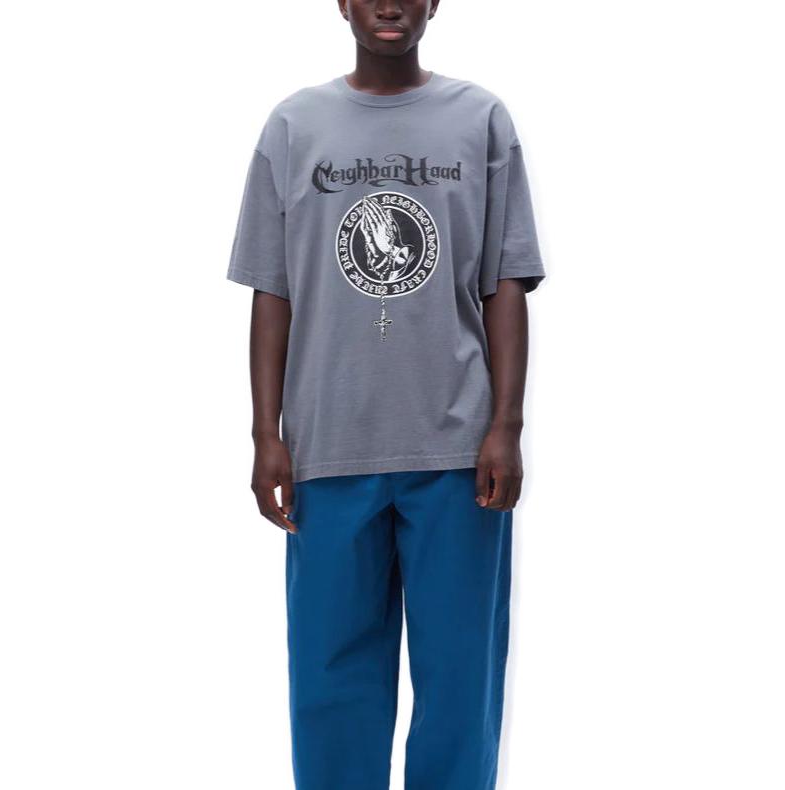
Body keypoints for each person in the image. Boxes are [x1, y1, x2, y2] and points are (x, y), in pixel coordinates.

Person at [226, 1, 545, 788]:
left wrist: (505, 425)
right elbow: (272, 290)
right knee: (331, 678)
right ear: (342, 3)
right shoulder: (294, 127)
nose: (390, 4)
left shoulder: (481, 121)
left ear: (436, 3)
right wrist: (266, 434)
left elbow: (505, 283)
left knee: (461, 676)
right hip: (328, 446)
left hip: (456, 452)